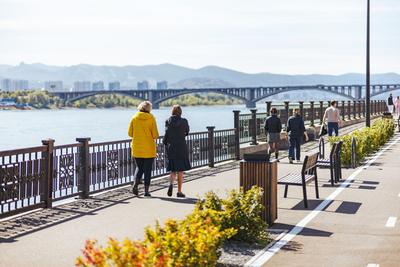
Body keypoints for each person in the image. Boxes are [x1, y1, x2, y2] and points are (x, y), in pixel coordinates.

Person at [128, 101, 159, 197]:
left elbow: (130, 133)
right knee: (147, 170)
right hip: (149, 149)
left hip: (137, 148)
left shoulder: (134, 118)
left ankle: (135, 186)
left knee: (139, 168)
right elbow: (155, 135)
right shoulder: (151, 118)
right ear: (149, 108)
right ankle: (146, 191)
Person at [163, 105, 191, 198]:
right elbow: (187, 132)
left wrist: (165, 142)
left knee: (173, 169)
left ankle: (171, 184)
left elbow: (166, 134)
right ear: (180, 112)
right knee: (180, 171)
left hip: (172, 147)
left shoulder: (168, 121)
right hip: (181, 147)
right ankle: (179, 191)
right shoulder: (184, 121)